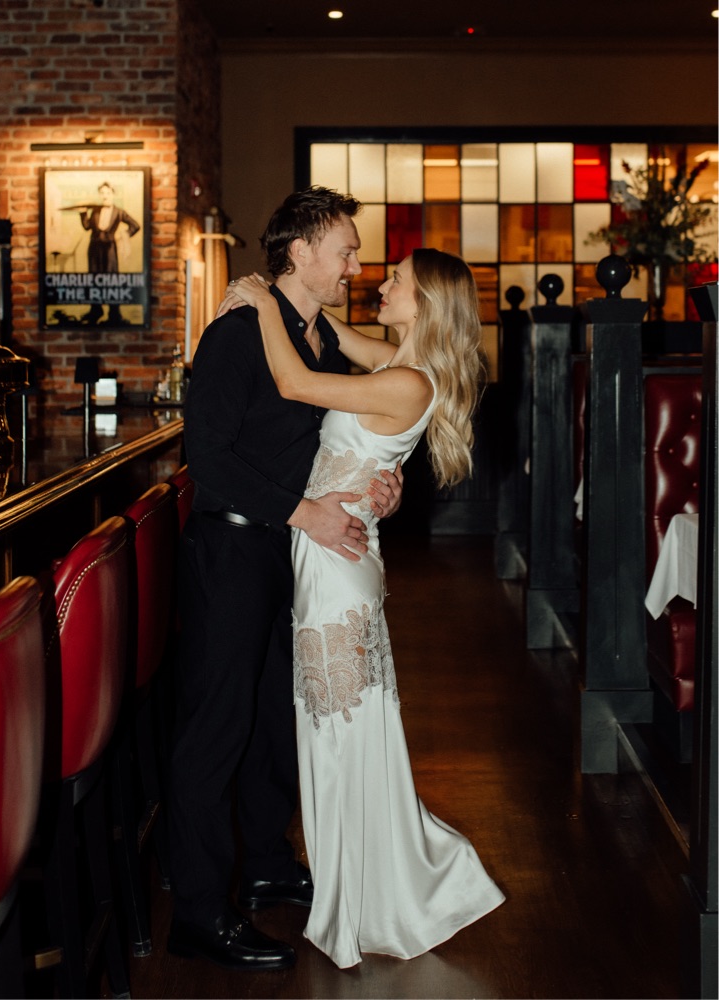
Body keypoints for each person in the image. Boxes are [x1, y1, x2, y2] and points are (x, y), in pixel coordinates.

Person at [224, 248, 505, 969]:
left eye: (396, 281)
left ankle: (362, 899)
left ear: (425, 304)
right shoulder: (400, 363)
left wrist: (260, 301)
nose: (380, 283)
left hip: (336, 567)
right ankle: (356, 886)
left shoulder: (407, 381)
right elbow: (332, 333)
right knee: (339, 727)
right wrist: (289, 291)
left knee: (338, 731)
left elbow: (293, 382)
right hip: (339, 553)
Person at [166, 187, 403, 971]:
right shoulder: (236, 334)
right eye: (345, 251)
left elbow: (328, 441)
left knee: (272, 718)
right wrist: (307, 514)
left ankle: (265, 862)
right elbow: (208, 459)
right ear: (298, 253)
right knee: (216, 731)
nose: (355, 267)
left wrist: (374, 486)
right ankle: (198, 912)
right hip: (230, 551)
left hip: (284, 549)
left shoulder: (319, 338)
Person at [78, 181, 140, 324]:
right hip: (94, 248)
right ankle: (96, 310)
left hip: (109, 249)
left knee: (112, 279)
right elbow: (87, 226)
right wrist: (83, 213)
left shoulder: (119, 212)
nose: (105, 196)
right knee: (93, 279)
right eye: (102, 193)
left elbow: (135, 225)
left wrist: (123, 235)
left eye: (107, 192)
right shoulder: (95, 210)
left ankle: (114, 313)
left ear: (113, 194)